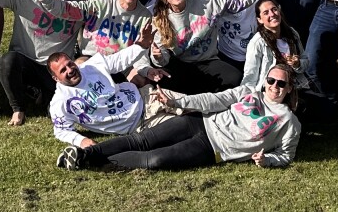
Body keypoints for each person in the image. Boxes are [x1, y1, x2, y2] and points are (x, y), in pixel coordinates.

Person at [58, 64, 302, 172]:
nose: (275, 86)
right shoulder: (248, 92)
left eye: (282, 83)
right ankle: (85, 154)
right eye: (271, 80)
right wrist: (177, 103)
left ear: (290, 88)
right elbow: (212, 100)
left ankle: (91, 162)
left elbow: (286, 155)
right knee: (141, 140)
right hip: (198, 121)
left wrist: (267, 160)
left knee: (154, 160)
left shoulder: (289, 122)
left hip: (213, 149)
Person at [148, 0, 276, 93]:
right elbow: (163, 60)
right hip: (181, 63)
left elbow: (239, 1)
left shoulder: (206, 3)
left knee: (234, 77)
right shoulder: (160, 20)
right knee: (165, 81)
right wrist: (157, 56)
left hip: (208, 61)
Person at [47, 43, 167, 155]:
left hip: (147, 96)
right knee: (182, 125)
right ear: (56, 78)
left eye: (70, 64)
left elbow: (119, 59)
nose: (70, 70)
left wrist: (141, 45)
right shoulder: (60, 102)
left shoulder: (91, 66)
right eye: (63, 70)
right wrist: (81, 140)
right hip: (138, 123)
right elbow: (61, 130)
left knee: (185, 102)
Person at [241, 0, 332, 130]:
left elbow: (305, 61)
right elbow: (250, 75)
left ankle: (298, 121)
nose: (272, 14)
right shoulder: (257, 43)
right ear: (259, 20)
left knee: (330, 111)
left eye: (274, 9)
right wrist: (248, 104)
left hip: (295, 87)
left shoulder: (291, 33)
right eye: (266, 13)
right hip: (273, 93)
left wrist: (297, 64)